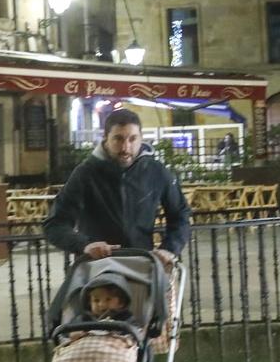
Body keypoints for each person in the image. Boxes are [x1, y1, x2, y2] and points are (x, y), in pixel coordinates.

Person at [43, 108, 190, 269]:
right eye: (118, 139)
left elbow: (180, 214)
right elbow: (54, 224)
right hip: (98, 268)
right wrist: (84, 245)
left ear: (141, 138)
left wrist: (169, 249)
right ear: (105, 138)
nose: (126, 148)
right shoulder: (85, 173)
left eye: (132, 139)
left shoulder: (156, 171)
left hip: (143, 265)